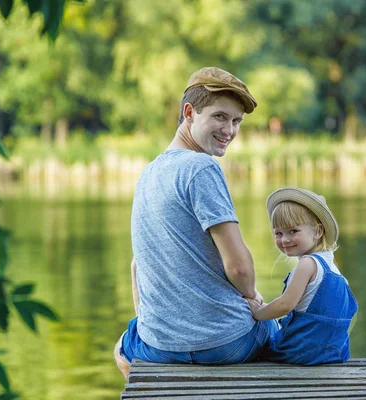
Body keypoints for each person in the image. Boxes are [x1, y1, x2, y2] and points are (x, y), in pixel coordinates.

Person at [114, 67, 276, 378]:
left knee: (123, 344)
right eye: (220, 117)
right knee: (281, 329)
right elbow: (239, 268)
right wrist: (252, 295)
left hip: (159, 347)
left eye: (236, 121)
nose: (229, 130)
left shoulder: (148, 173)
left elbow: (136, 267)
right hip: (227, 344)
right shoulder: (201, 168)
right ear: (190, 112)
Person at [247, 187, 358, 365]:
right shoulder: (334, 270)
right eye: (278, 233)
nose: (284, 240)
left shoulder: (307, 264)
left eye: (293, 231)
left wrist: (258, 313)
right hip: (334, 353)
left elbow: (285, 305)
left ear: (318, 232)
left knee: (253, 330)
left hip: (300, 351)